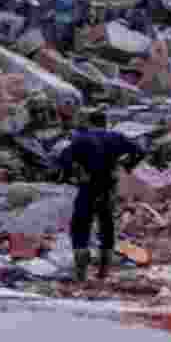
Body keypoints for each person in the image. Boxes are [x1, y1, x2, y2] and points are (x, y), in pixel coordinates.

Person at [63, 110, 145, 281]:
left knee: (81, 225)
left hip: (87, 187)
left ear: (89, 123)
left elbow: (65, 159)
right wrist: (127, 165)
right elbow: (140, 151)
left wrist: (76, 174)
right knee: (107, 225)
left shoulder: (81, 139)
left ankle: (81, 272)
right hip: (108, 187)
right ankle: (104, 271)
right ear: (105, 122)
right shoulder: (116, 137)